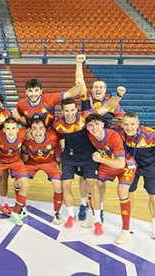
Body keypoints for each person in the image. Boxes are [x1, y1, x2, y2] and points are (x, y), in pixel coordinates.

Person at [53, 86, 125, 235]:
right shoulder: (57, 125)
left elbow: (107, 106)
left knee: (93, 186)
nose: (70, 113)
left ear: (76, 109)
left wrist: (118, 95)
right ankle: (71, 216)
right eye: (66, 110)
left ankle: (97, 220)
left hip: (88, 157)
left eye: (72, 110)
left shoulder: (85, 116)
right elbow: (54, 139)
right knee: (65, 185)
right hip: (69, 158)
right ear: (62, 111)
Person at [78, 78, 125, 222]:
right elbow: (79, 82)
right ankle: (83, 203)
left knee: (101, 180)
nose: (98, 89)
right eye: (95, 87)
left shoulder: (113, 104)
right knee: (83, 176)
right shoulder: (86, 100)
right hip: (87, 142)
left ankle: (101, 208)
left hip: (106, 145)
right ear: (91, 90)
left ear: (105, 91)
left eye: (101, 87)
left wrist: (118, 132)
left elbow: (123, 119)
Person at [117, 111, 155, 240]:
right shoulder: (119, 133)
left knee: (153, 194)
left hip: (150, 167)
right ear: (122, 124)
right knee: (129, 193)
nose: (129, 127)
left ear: (138, 124)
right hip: (131, 166)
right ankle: (129, 224)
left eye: (132, 124)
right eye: (126, 124)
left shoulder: (151, 135)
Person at [86, 113, 135, 244]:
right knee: (93, 186)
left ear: (102, 124)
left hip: (125, 165)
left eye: (96, 124)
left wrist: (100, 159)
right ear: (87, 128)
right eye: (90, 125)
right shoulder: (90, 135)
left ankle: (125, 230)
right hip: (108, 163)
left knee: (122, 191)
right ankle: (96, 216)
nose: (94, 127)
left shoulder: (113, 136)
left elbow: (121, 163)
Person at [16, 54, 85, 127]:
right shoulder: (21, 104)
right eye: (30, 91)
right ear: (26, 92)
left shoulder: (49, 99)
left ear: (41, 91)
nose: (33, 94)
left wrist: (79, 64)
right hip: (34, 133)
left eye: (36, 90)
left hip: (50, 132)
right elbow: (21, 121)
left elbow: (70, 93)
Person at [21, 118, 63, 224]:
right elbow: (25, 159)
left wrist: (60, 166)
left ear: (45, 130)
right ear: (30, 130)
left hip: (49, 163)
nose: (37, 131)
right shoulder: (26, 140)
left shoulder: (53, 137)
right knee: (20, 182)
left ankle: (57, 212)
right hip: (31, 163)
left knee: (58, 186)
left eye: (40, 128)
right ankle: (21, 208)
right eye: (34, 129)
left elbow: (58, 155)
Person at [0, 117, 30, 226]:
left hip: (16, 161)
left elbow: (33, 131)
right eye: (8, 128)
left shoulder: (22, 133)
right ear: (3, 130)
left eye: (13, 128)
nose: (11, 131)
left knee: (25, 185)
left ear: (17, 129)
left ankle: (15, 213)